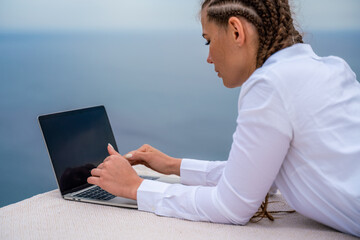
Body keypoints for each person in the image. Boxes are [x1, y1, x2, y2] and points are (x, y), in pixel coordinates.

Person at [87, 0, 360, 237]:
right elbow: (254, 174)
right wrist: (174, 166)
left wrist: (136, 188)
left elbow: (233, 206)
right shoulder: (331, 68)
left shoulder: (269, 85)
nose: (207, 57)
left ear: (236, 30)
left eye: (208, 40)